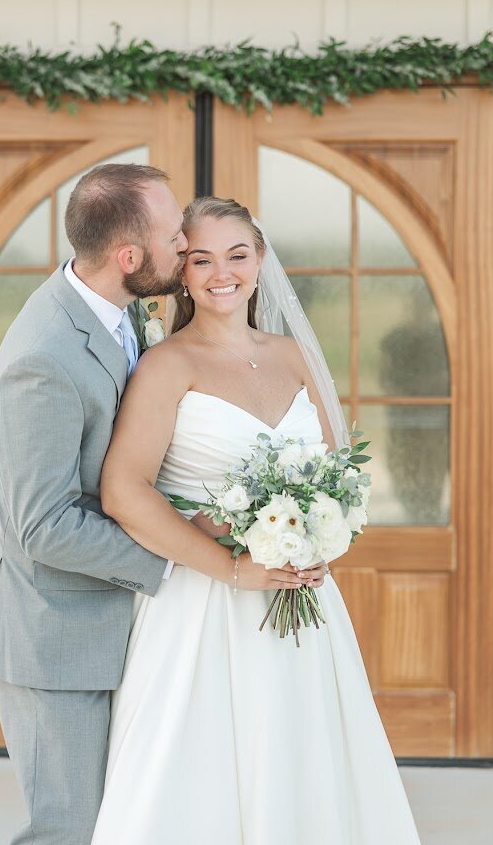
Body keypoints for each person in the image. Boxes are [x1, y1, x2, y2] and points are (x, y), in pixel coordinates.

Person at [0, 166, 312, 845]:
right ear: (128, 258)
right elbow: (42, 526)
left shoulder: (119, 316)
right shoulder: (43, 357)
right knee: (70, 828)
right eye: (175, 238)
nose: (186, 247)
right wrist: (189, 550)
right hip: (56, 636)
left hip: (127, 627)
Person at [92, 197, 422, 844]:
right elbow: (123, 492)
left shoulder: (294, 353)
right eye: (201, 258)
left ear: (260, 260)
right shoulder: (166, 365)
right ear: (181, 272)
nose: (222, 272)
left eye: (237, 254)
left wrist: (323, 537)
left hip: (301, 599)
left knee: (304, 760)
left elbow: (340, 477)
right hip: (201, 606)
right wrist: (233, 568)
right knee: (200, 771)